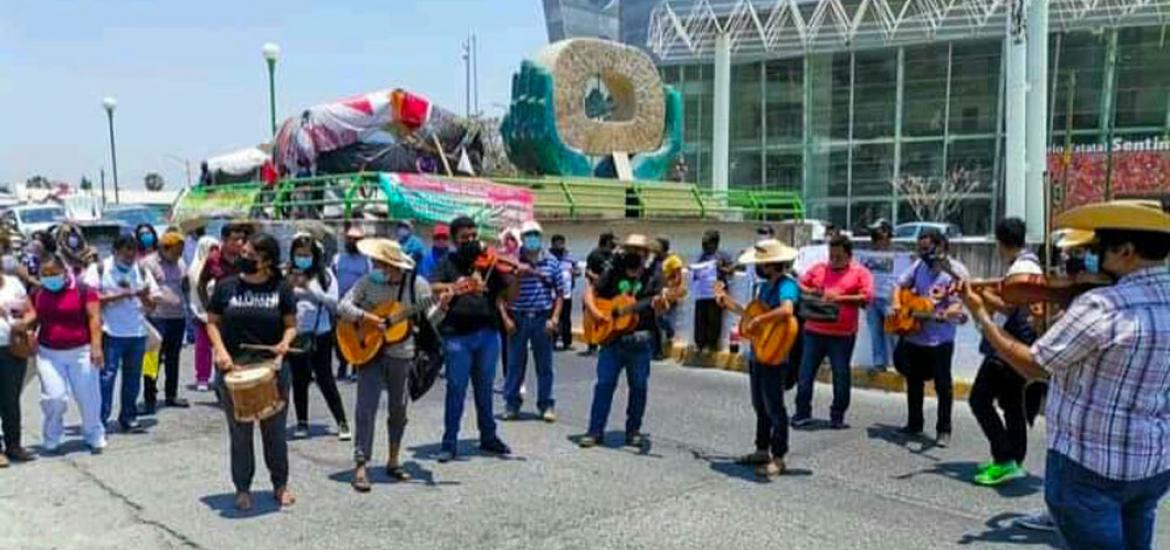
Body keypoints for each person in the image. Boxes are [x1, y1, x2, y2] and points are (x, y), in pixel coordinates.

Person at [960, 201, 1170, 550]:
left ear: (1127, 251)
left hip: (1090, 467)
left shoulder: (1103, 305)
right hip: (1154, 463)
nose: (1091, 258)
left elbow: (1034, 365)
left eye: (1099, 249)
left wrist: (981, 317)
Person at [339, 239, 444, 491]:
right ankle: (361, 463)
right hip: (369, 352)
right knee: (366, 407)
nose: (377, 267)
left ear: (394, 265)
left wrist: (442, 307)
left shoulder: (416, 285)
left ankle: (394, 460)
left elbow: (431, 320)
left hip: (402, 352)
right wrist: (369, 317)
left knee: (398, 407)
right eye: (376, 262)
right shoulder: (367, 282)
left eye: (382, 264)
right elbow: (343, 306)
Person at [206, 232, 298, 511]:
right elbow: (212, 323)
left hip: (272, 370)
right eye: (242, 253)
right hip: (234, 369)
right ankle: (242, 488)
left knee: (275, 433)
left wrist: (284, 343)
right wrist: (220, 352)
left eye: (250, 255)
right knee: (240, 434)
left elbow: (291, 325)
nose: (243, 258)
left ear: (266, 261)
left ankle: (279, 485)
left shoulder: (281, 287)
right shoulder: (225, 286)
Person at [967, 217, 1043, 486]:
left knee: (979, 400)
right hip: (1024, 343)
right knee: (1011, 403)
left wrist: (978, 297)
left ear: (1000, 242)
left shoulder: (1019, 269)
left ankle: (1004, 459)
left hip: (1008, 345)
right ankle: (1014, 460)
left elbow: (1008, 307)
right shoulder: (1030, 263)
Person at [430, 216, 512, 462]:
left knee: (485, 388)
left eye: (473, 236)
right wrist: (455, 285)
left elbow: (504, 293)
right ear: (454, 240)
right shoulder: (448, 261)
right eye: (465, 237)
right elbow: (431, 286)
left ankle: (488, 437)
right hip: (457, 335)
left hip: (487, 332)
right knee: (456, 388)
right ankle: (449, 441)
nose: (471, 241)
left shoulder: (486, 262)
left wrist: (512, 273)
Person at [715, 239, 800, 479]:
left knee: (775, 407)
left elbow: (786, 310)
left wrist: (760, 321)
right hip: (759, 352)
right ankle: (762, 449)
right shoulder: (764, 288)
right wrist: (728, 303)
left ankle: (779, 457)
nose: (758, 268)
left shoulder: (787, 285)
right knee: (760, 405)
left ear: (773, 264)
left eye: (762, 264)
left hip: (775, 355)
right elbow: (751, 316)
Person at [579, 234, 668, 449]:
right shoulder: (613, 269)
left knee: (638, 387)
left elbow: (661, 307)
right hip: (611, 339)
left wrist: (661, 304)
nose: (634, 254)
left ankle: (634, 431)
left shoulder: (653, 275)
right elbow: (590, 291)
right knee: (604, 385)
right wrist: (595, 313)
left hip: (640, 339)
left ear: (646, 254)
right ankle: (595, 430)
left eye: (639, 251)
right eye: (630, 250)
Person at [890, 228, 968, 448]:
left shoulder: (955, 272)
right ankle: (914, 423)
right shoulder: (919, 266)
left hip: (940, 339)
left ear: (941, 246)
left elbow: (957, 304)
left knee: (943, 385)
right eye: (920, 249)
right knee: (913, 381)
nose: (923, 253)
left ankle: (944, 430)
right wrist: (897, 302)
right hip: (916, 336)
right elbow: (899, 284)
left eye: (927, 249)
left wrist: (946, 313)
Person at [25, 255, 105, 454]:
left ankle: (93, 432)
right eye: (45, 274)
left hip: (81, 351)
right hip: (48, 353)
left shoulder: (83, 289)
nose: (50, 278)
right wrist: (28, 333)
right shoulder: (38, 293)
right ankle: (52, 435)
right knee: (54, 398)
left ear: (64, 271)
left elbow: (94, 318)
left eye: (54, 274)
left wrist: (96, 347)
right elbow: (31, 318)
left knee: (88, 397)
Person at [792, 235, 873, 430]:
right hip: (814, 330)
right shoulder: (820, 268)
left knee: (841, 375)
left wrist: (840, 297)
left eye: (838, 256)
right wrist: (812, 292)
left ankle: (837, 415)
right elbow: (800, 284)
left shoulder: (860, 272)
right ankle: (802, 412)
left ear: (848, 255)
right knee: (805, 374)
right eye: (831, 255)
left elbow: (867, 296)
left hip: (842, 335)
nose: (834, 260)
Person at [84, 233, 158, 431]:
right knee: (106, 378)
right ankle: (100, 419)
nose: (130, 256)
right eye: (126, 252)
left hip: (136, 332)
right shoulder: (99, 269)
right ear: (115, 251)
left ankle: (128, 415)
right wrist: (122, 294)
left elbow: (152, 306)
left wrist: (143, 297)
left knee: (133, 378)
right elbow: (90, 298)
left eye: (133, 252)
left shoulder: (141, 270)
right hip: (110, 332)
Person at [286, 234, 349, 440]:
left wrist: (312, 289)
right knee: (299, 379)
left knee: (325, 379)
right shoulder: (287, 273)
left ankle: (342, 422)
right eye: (298, 255)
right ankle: (302, 422)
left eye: (306, 255)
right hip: (296, 333)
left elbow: (334, 303)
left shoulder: (326, 275)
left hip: (319, 334)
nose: (302, 259)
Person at [501, 221, 565, 422]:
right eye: (528, 235)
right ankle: (512, 403)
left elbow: (560, 294)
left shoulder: (552, 262)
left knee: (544, 365)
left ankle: (546, 404)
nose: (532, 238)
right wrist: (506, 319)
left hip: (541, 315)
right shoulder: (512, 261)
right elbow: (501, 294)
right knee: (515, 364)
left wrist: (554, 318)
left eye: (535, 234)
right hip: (518, 316)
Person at [141, 230, 189, 410]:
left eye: (181, 252)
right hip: (157, 317)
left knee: (173, 357)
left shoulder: (181, 262)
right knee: (152, 357)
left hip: (178, 316)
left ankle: (171, 395)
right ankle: (149, 397)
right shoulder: (148, 263)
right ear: (164, 248)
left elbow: (183, 285)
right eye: (176, 251)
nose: (179, 255)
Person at [0, 263, 32, 466]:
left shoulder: (13, 283)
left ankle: (14, 445)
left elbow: (30, 311)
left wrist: (24, 322)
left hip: (13, 348)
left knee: (11, 400)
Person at [333, 225, 372, 381]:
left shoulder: (367, 261)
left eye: (355, 239)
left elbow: (369, 283)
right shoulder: (337, 258)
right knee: (339, 338)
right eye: (349, 238)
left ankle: (356, 368)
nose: (351, 242)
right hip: (340, 305)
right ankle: (342, 366)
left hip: (358, 305)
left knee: (358, 338)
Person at [692, 229, 734, 353]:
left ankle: (712, 344)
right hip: (702, 291)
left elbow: (731, 270)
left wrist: (719, 268)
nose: (704, 246)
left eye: (707, 244)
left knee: (714, 318)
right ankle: (700, 343)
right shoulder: (702, 256)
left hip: (717, 290)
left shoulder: (723, 255)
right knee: (700, 317)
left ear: (715, 243)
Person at [862, 220, 896, 372]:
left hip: (889, 297)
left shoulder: (898, 252)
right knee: (875, 331)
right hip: (872, 297)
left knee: (893, 332)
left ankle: (897, 363)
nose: (875, 238)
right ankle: (879, 363)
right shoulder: (867, 253)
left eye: (878, 234)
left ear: (887, 234)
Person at [187, 236, 220, 391]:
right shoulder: (195, 267)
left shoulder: (220, 266)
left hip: (220, 312)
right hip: (201, 311)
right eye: (211, 248)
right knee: (203, 347)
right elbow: (197, 286)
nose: (214, 252)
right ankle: (202, 377)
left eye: (216, 248)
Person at [581, 231, 616, 356]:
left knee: (607, 318)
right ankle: (591, 345)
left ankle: (604, 343)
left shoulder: (613, 256)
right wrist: (599, 279)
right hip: (595, 290)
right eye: (612, 241)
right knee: (591, 318)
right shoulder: (595, 254)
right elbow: (587, 272)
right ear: (607, 241)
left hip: (609, 292)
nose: (614, 244)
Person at [650, 236, 680, 360]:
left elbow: (678, 278)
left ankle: (669, 332)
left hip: (667, 292)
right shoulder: (654, 261)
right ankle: (655, 349)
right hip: (654, 293)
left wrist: (668, 289)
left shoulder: (672, 259)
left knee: (659, 318)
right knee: (653, 322)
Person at [548, 234, 579, 351]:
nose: (560, 246)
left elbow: (578, 270)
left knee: (566, 318)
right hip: (551, 294)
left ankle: (567, 342)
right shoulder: (547, 257)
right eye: (558, 243)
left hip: (566, 293)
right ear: (553, 244)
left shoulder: (569, 256)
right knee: (553, 317)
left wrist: (574, 272)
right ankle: (552, 341)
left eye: (562, 243)